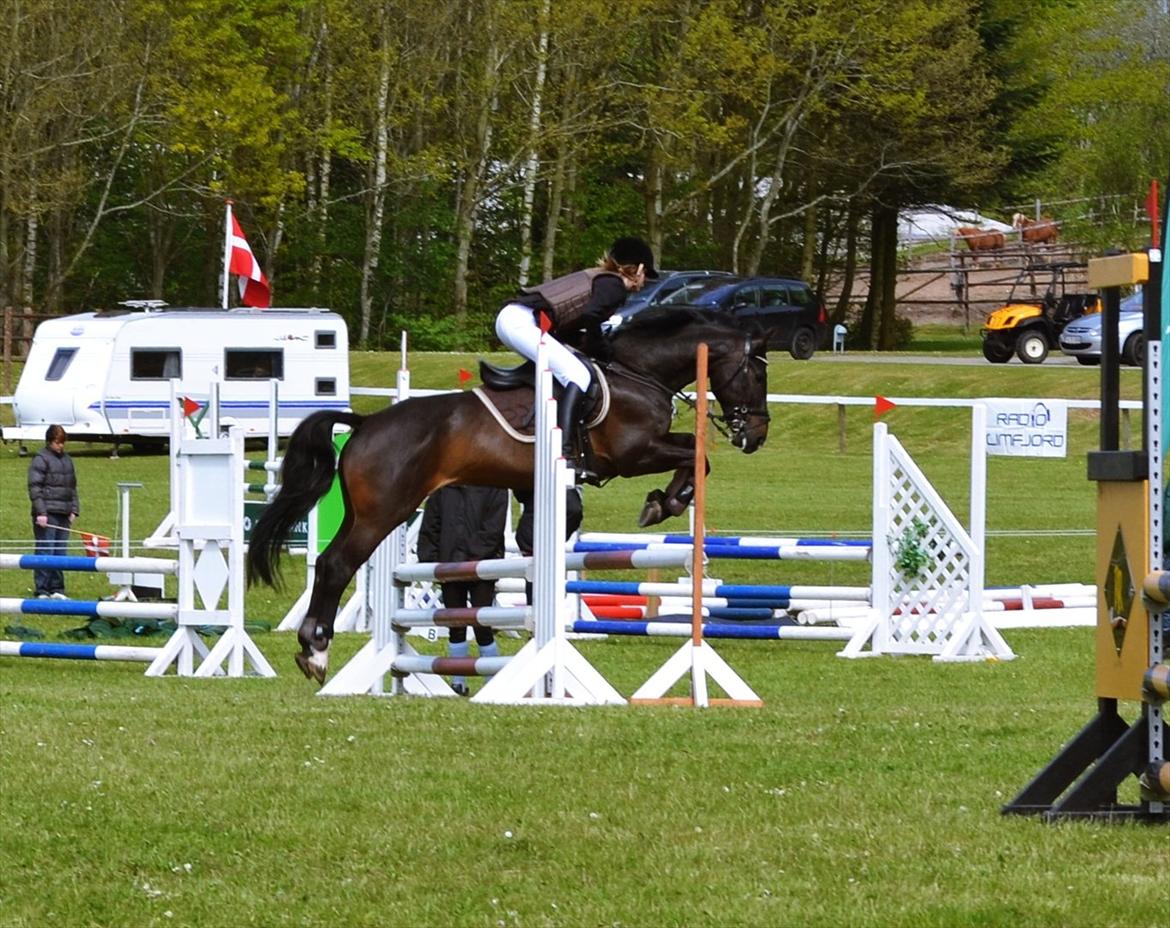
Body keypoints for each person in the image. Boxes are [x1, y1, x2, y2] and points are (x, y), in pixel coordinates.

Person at [495, 236, 658, 467]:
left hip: (516, 319)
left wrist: (589, 344)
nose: (645, 281)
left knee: (569, 366)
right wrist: (600, 348)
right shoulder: (614, 285)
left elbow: (572, 324)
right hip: (521, 322)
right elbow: (592, 316)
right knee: (578, 375)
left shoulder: (601, 278)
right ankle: (563, 450)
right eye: (646, 274)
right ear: (637, 269)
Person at [416, 484, 510, 697]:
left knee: (483, 625)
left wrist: (472, 555)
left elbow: (494, 527)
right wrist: (430, 559)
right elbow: (431, 522)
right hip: (449, 562)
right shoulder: (444, 486)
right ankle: (457, 682)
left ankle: (493, 680)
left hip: (482, 564)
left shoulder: (494, 484)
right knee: (455, 624)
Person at [27, 424, 79, 600]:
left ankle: (57, 588)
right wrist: (41, 512)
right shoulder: (40, 459)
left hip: (64, 513)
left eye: (62, 442)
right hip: (47, 513)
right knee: (45, 550)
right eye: (58, 442)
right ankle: (42, 589)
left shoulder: (67, 460)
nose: (60, 446)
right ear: (50, 441)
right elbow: (35, 488)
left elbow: (72, 487)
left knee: (60, 552)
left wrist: (74, 509)